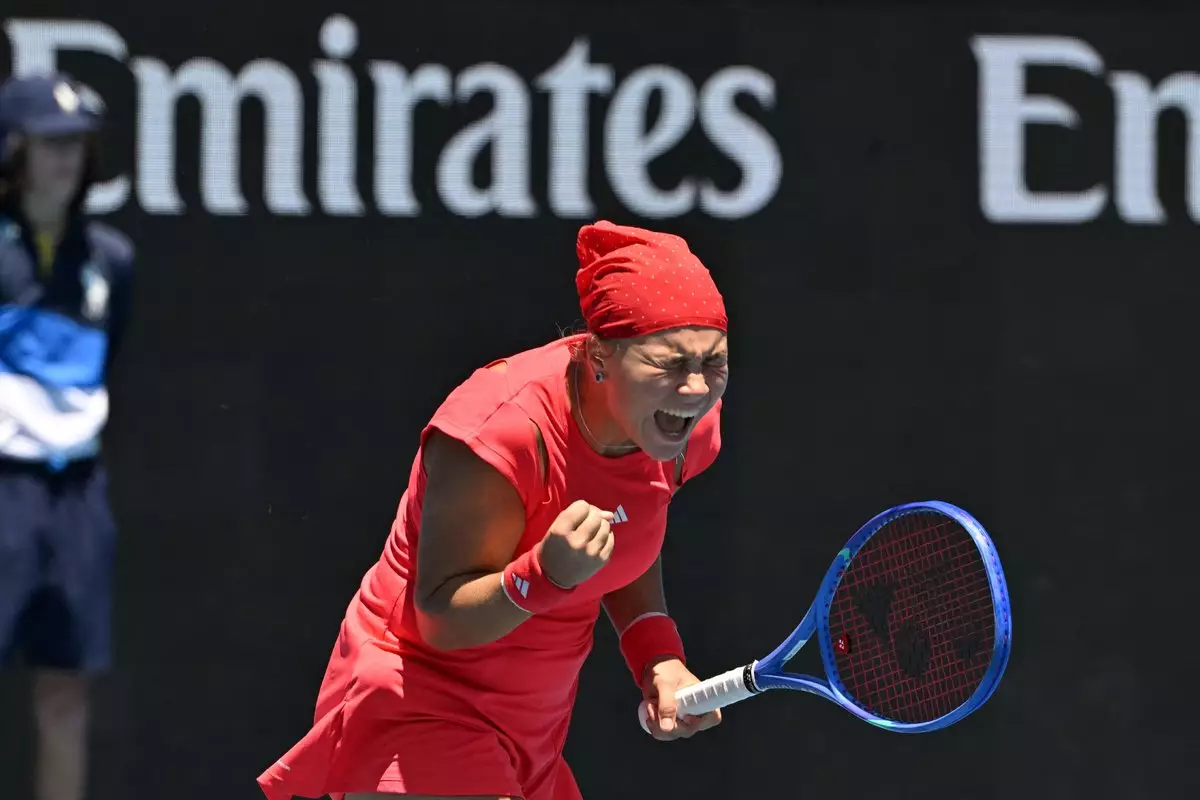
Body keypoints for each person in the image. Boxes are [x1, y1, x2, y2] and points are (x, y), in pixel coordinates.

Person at [258, 221, 731, 800]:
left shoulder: (684, 433)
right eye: (670, 364)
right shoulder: (499, 432)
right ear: (600, 355)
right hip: (420, 704)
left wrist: (658, 658)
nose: (696, 388)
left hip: (535, 730)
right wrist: (545, 575)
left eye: (713, 363)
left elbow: (626, 543)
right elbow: (440, 619)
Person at [0, 73, 135, 800]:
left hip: (78, 495)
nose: (66, 160)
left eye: (77, 145)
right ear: (14, 150)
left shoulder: (112, 260)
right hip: (2, 490)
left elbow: (104, 363)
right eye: (51, 144)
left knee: (65, 692)